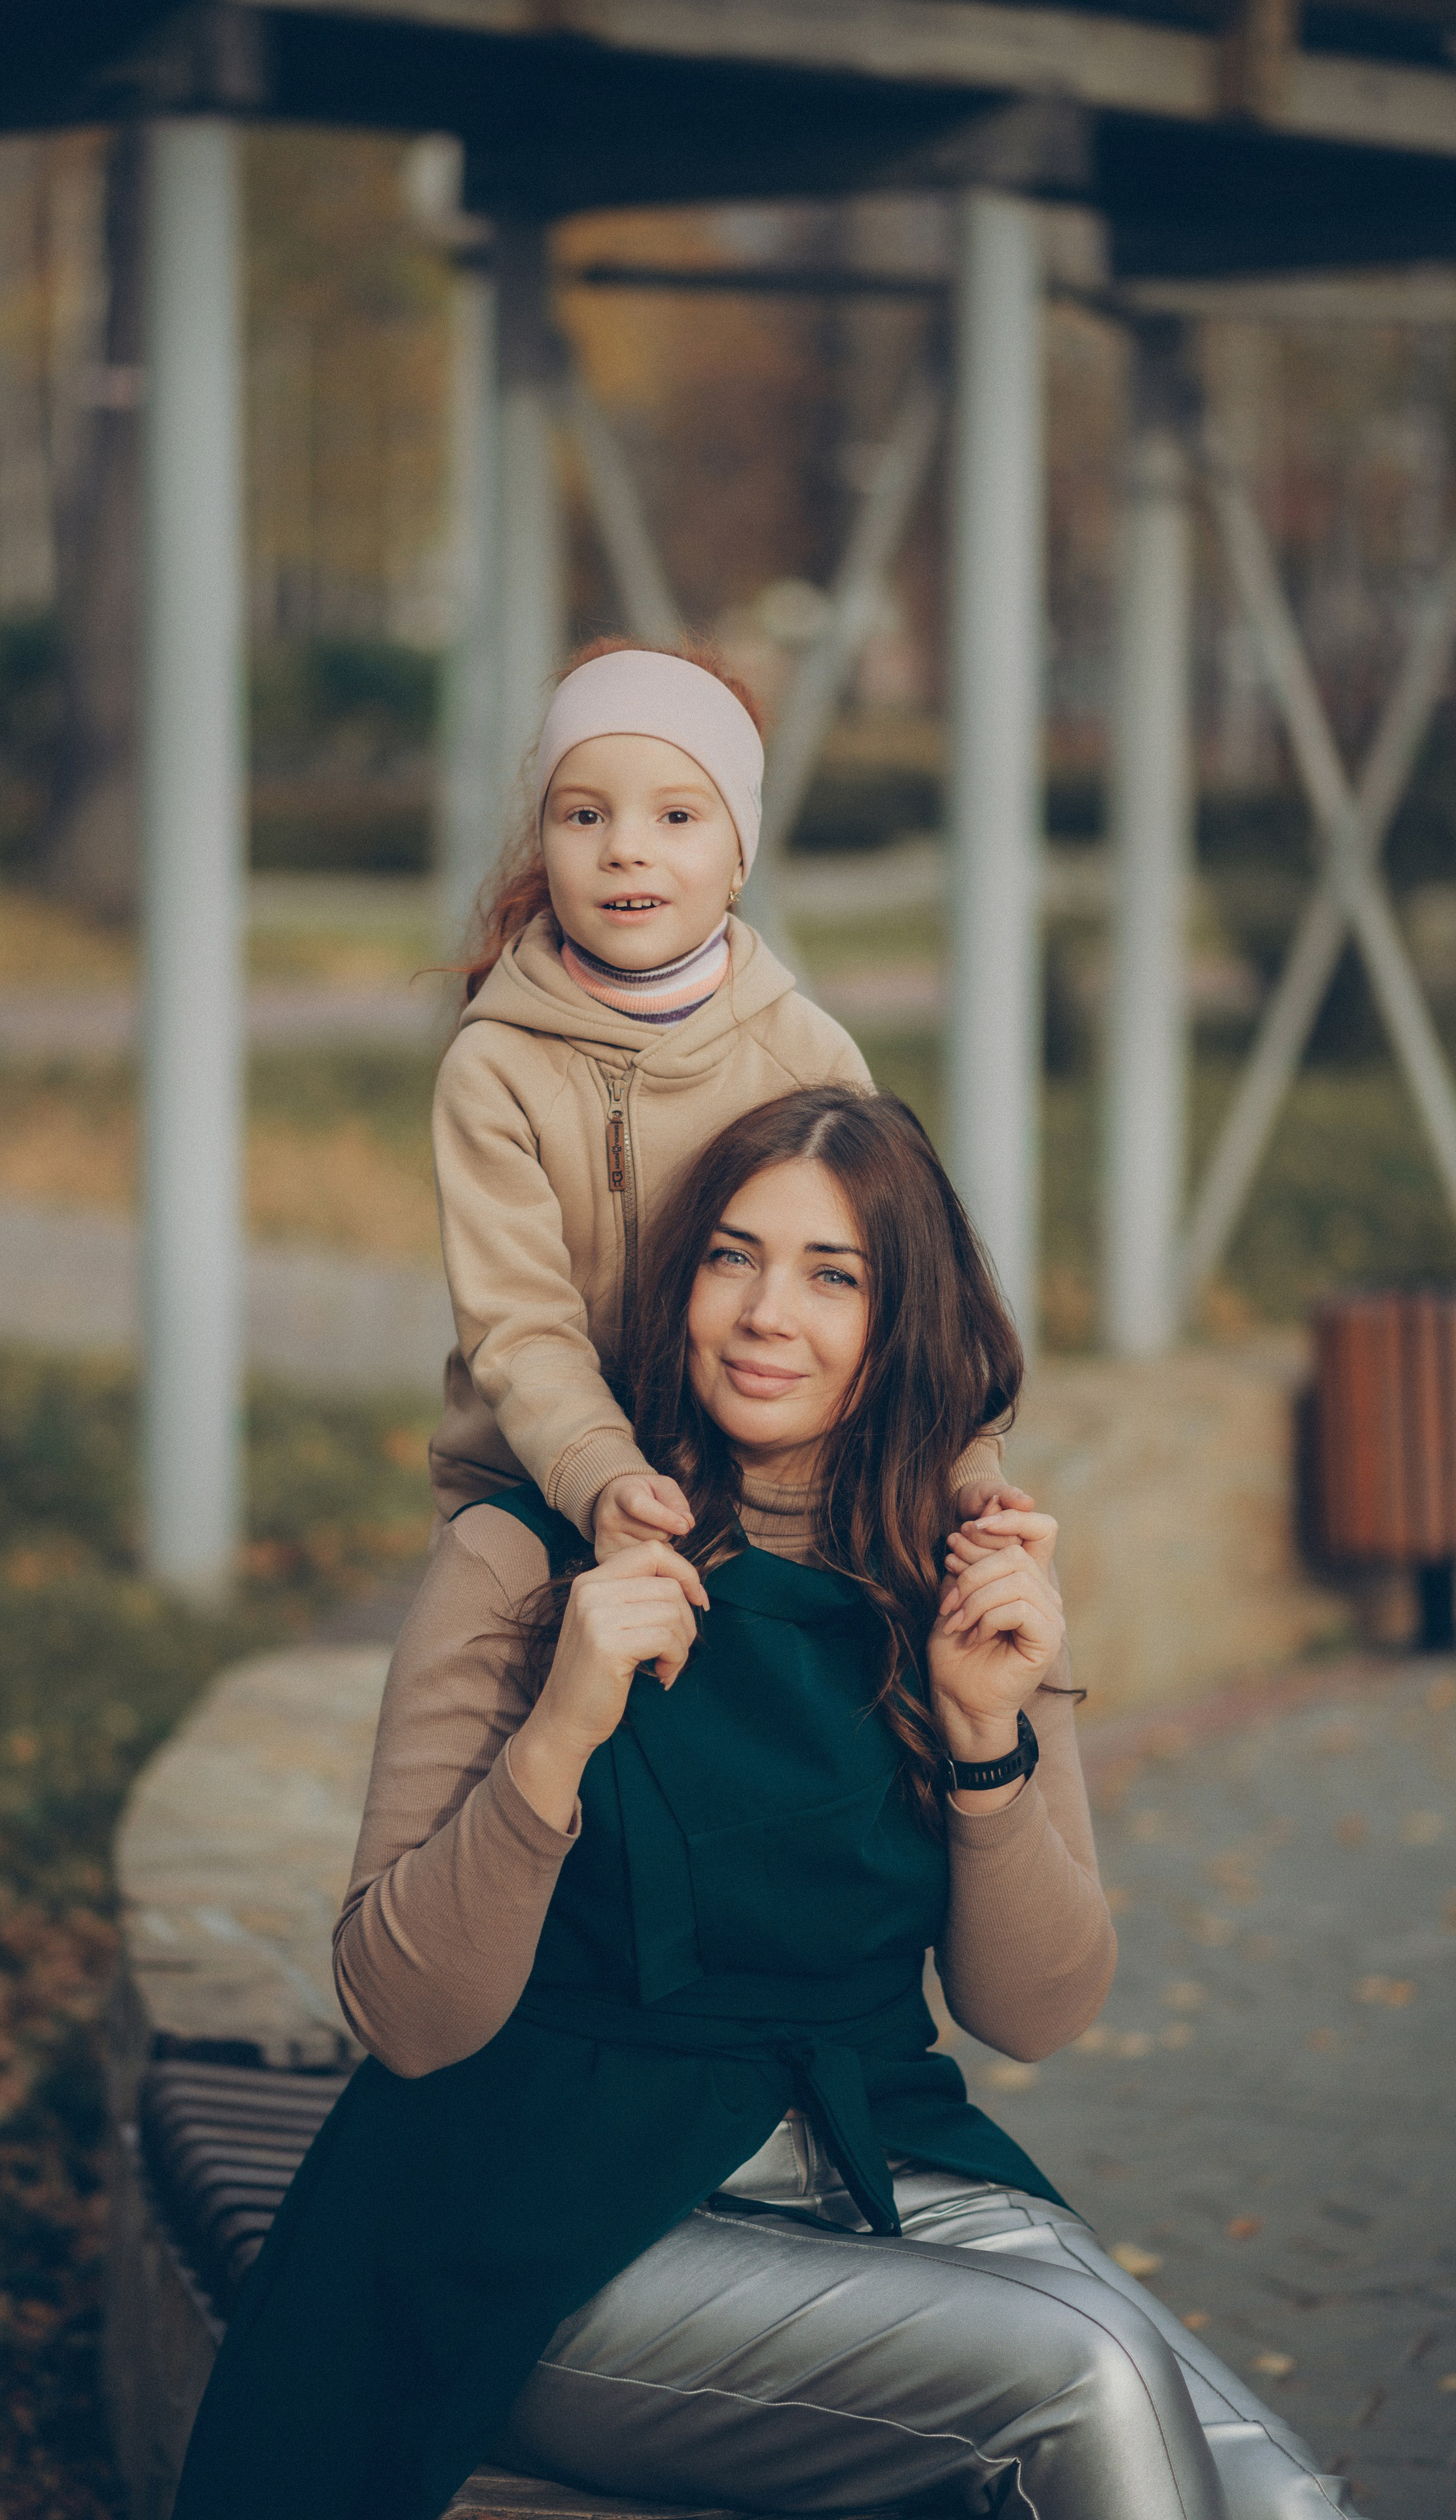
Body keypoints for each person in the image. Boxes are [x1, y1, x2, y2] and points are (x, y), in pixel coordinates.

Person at [172, 1088, 1357, 2520]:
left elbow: (1035, 2008)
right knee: (1084, 2371)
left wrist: (988, 1741)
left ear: (899, 1321)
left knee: (1278, 2492)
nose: (763, 1313)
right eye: (730, 1257)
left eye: (830, 1273)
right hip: (539, 2228)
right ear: (677, 1286)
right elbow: (404, 2015)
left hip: (859, 2165)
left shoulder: (957, 1575)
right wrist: (559, 1727)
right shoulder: (521, 1558)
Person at [428, 635, 1025, 1557]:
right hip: (537, 1484)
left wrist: (968, 1472)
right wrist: (602, 1475)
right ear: (544, 842)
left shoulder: (806, 1053)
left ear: (740, 856)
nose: (626, 849)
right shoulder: (496, 1068)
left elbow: (901, 1291)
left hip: (761, 1479)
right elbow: (520, 1325)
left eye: (676, 817)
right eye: (584, 816)